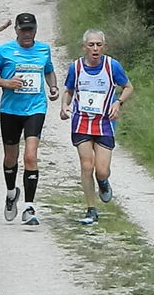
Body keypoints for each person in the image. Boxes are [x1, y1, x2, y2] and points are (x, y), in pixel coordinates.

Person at [0, 13, 60, 226]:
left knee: (31, 157)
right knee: (10, 157)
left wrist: (53, 87)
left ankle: (29, 208)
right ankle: (10, 193)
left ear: (35, 30)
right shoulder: (4, 51)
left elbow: (49, 71)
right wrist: (7, 83)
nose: (27, 34)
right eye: (23, 30)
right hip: (10, 110)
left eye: (31, 29)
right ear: (16, 29)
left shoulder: (44, 49)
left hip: (35, 108)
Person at [60, 29, 133, 225]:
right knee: (86, 165)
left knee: (101, 170)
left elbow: (128, 87)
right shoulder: (75, 67)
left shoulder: (112, 66)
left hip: (104, 124)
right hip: (82, 122)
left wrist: (118, 103)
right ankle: (91, 209)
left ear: (104, 47)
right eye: (91, 45)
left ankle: (103, 182)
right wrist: (64, 106)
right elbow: (69, 90)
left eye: (98, 45)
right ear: (84, 47)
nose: (95, 48)